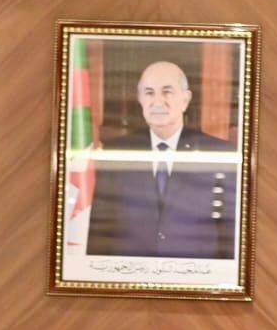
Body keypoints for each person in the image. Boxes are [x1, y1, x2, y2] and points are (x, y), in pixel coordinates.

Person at [87, 60, 238, 260]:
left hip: (194, 274)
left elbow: (230, 235)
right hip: (131, 274)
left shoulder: (218, 153)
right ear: (140, 99)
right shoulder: (116, 152)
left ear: (185, 100)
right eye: (149, 93)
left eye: (167, 92)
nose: (157, 102)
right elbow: (100, 234)